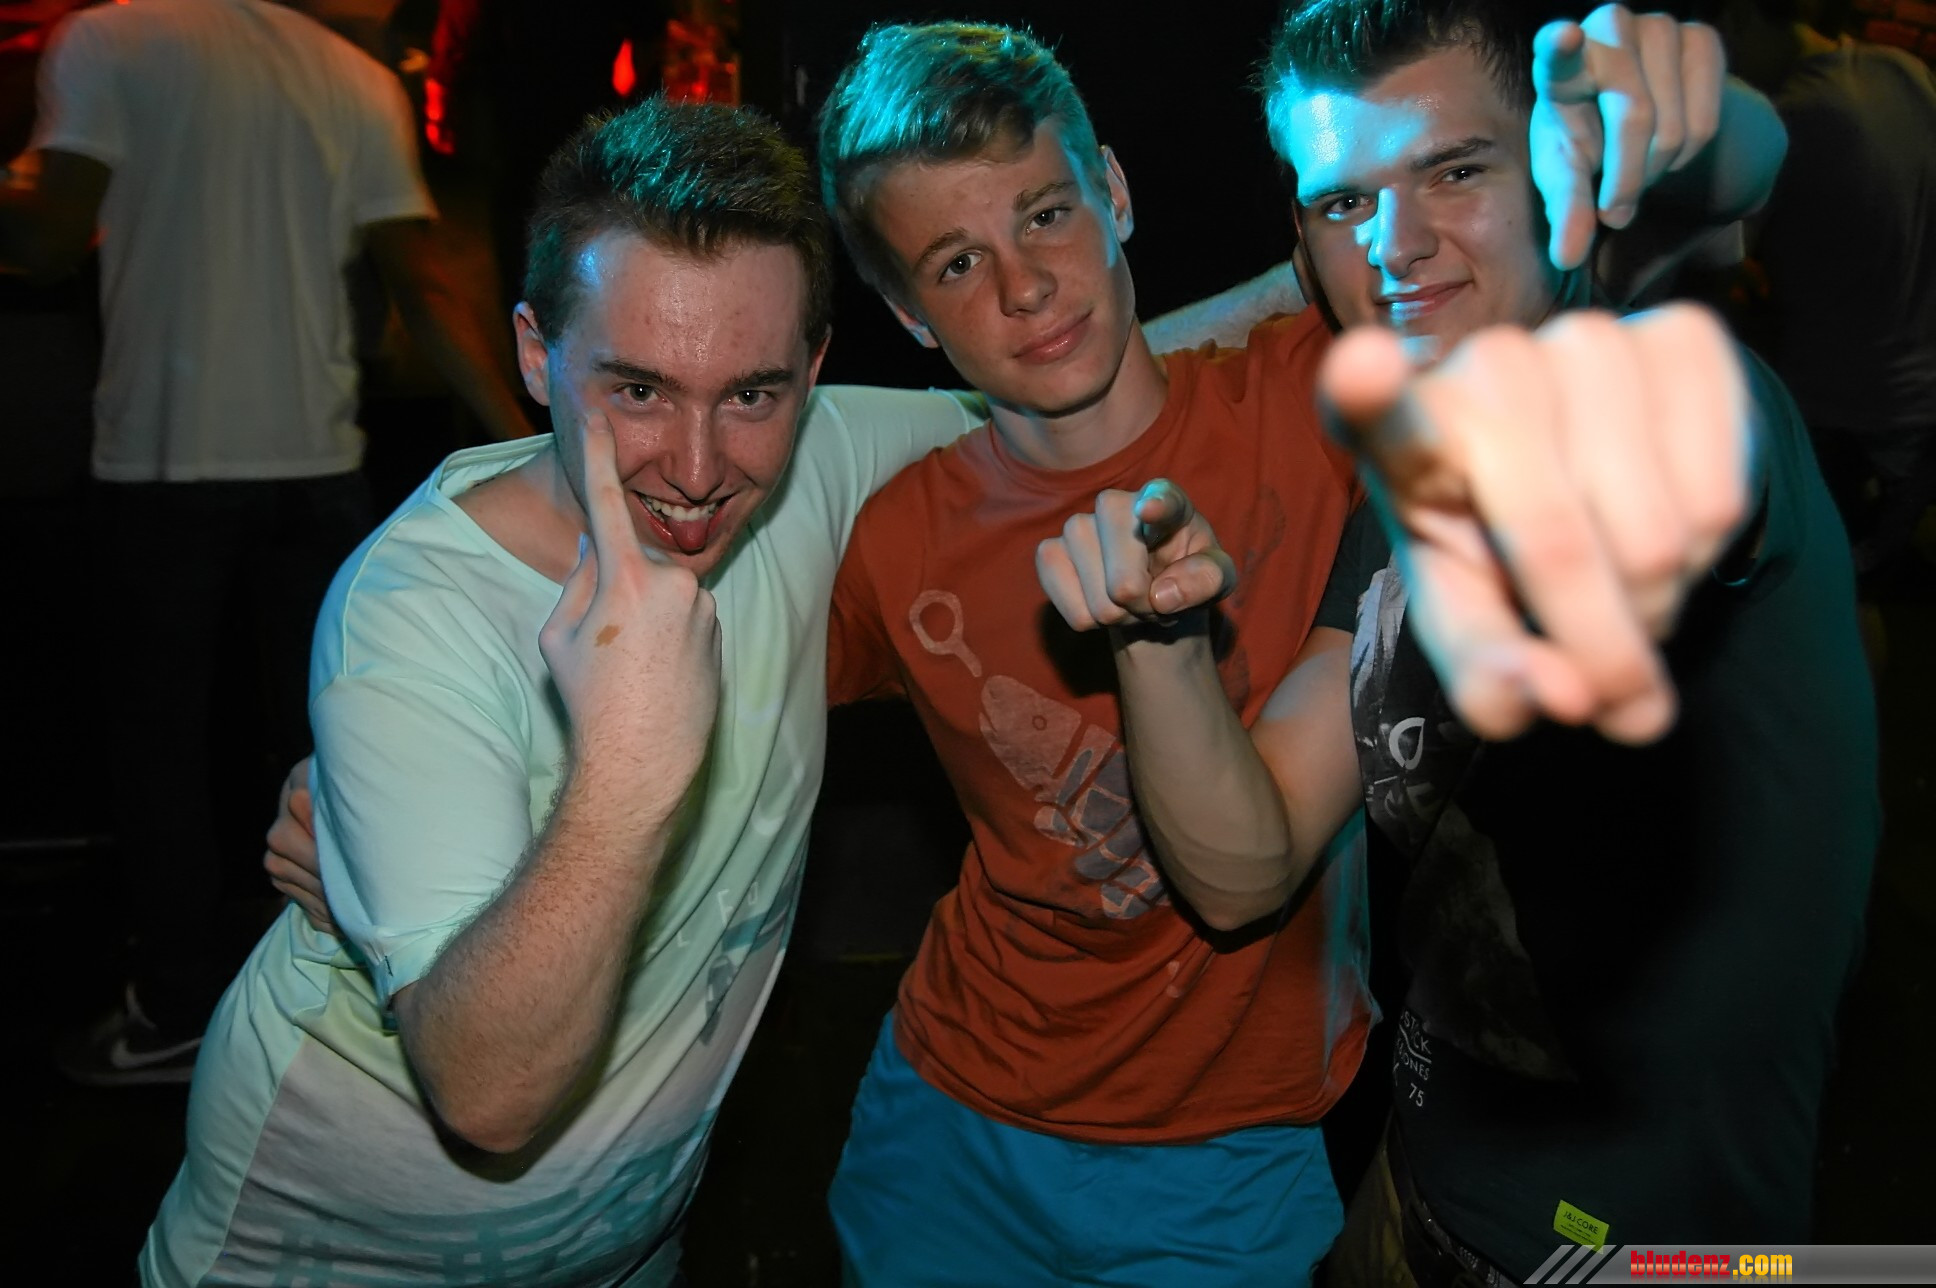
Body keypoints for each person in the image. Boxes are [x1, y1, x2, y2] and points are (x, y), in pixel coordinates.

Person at [813, 14, 1785, 1285]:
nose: (1025, 286)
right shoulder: (892, 541)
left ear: (1112, 191)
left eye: (1045, 213)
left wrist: (1697, 122)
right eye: (956, 263)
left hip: (1233, 1151)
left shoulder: (1327, 390)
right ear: (906, 311)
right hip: (948, 1117)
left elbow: (1620, 238)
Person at [1036, 0, 1877, 1282]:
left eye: (1455, 171)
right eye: (1343, 203)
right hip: (1411, 1194)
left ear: (1555, 171)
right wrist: (1156, 644)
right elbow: (1245, 864)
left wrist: (1716, 146)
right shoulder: (1400, 493)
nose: (1397, 243)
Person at [139, 98, 991, 1287]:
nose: (697, 469)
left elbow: (1087, 394)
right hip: (329, 1254)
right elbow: (487, 1091)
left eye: (751, 394)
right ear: (537, 355)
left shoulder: (819, 460)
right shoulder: (418, 609)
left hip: (627, 1248)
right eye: (637, 391)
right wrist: (627, 771)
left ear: (811, 370)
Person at [0, 0, 534, 1084]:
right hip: (318, 469)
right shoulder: (354, 80)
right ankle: (335, 1005)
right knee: (330, 750)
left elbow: (46, 237)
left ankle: (180, 1007)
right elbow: (424, 280)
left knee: (162, 755)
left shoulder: (108, 39)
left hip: (164, 461)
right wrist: (526, 440)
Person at [1702, 0, 1936, 578]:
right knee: (1881, 558)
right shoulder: (1906, 72)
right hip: (1923, 402)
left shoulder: (1782, 120)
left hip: (1833, 405)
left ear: (1741, 17)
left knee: (1814, 571)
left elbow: (1720, 272)